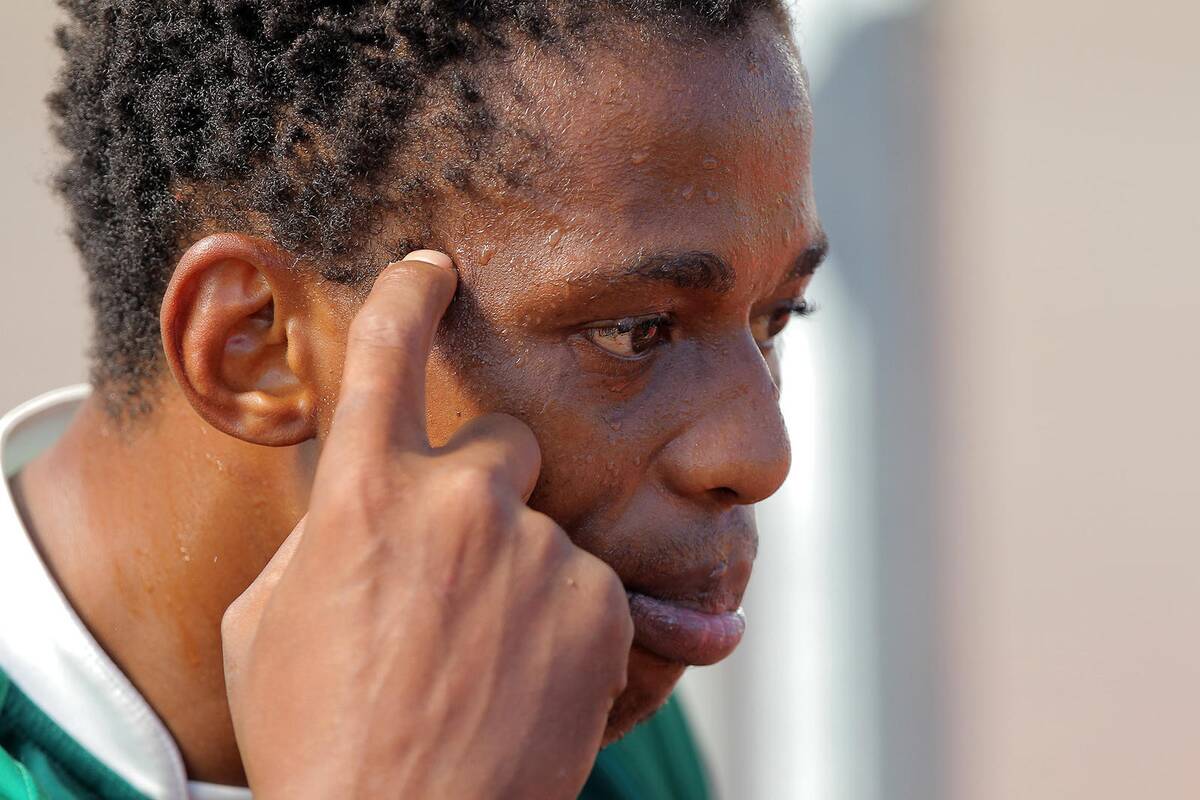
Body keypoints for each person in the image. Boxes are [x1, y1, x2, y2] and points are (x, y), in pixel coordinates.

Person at [0, 1, 827, 797]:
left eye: (776, 316)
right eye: (634, 331)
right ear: (257, 347)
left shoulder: (549, 668)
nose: (763, 456)